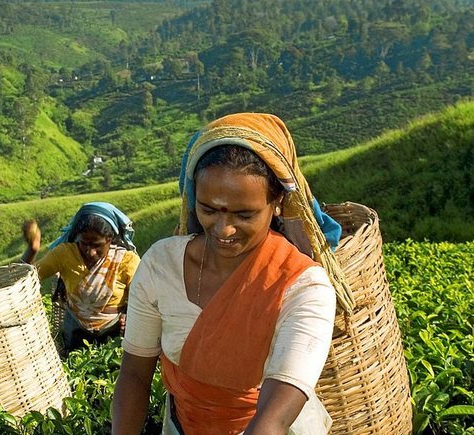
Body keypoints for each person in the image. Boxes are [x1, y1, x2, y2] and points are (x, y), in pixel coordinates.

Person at [112, 113, 348, 434]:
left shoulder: (304, 286)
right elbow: (135, 375)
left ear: (277, 202)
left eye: (244, 214)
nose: (223, 229)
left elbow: (274, 417)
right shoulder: (160, 265)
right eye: (208, 209)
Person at [21, 202, 140, 353]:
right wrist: (32, 250)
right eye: (84, 243)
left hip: (115, 336)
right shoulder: (65, 254)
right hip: (76, 334)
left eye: (97, 245)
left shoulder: (126, 261)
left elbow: (145, 298)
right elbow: (23, 278)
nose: (90, 252)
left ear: (110, 239)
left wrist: (129, 315)